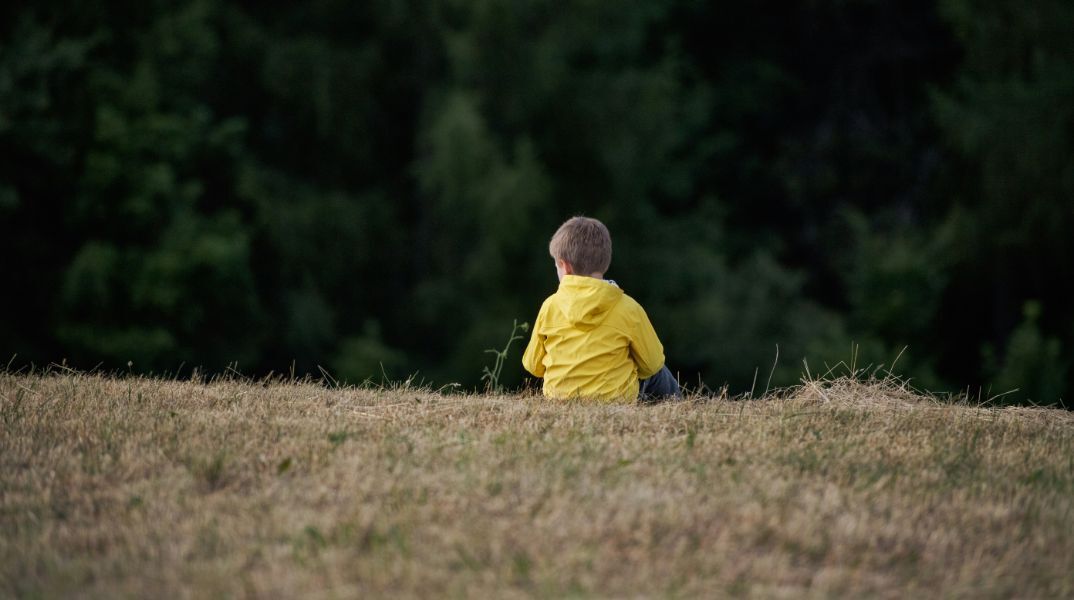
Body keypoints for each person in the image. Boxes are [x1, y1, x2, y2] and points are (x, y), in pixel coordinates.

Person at [522, 216, 681, 403]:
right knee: (660, 373)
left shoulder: (550, 306)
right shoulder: (629, 308)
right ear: (605, 262)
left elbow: (533, 366)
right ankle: (678, 407)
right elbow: (652, 364)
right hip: (615, 401)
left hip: (559, 399)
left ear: (564, 267)